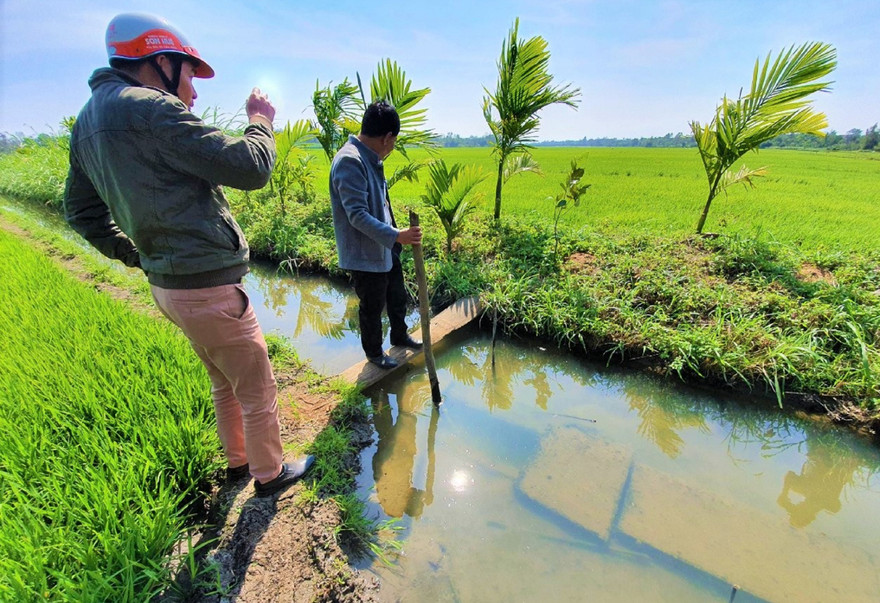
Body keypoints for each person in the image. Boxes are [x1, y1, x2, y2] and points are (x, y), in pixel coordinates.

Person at [63, 12, 313, 498]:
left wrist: (137, 255)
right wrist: (261, 121)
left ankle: (240, 461)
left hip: (168, 287)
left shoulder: (89, 120)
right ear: (159, 62)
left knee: (223, 378)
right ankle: (270, 475)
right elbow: (250, 167)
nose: (194, 94)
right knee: (258, 387)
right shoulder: (149, 109)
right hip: (208, 286)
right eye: (189, 76)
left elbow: (80, 211)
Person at [329, 101, 423, 369]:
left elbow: (381, 202)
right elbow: (357, 215)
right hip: (365, 253)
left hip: (385, 246)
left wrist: (395, 239)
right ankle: (374, 353)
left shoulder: (371, 158)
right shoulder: (350, 160)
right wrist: (396, 235)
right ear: (387, 137)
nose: (392, 147)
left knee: (396, 295)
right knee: (372, 306)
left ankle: (399, 335)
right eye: (394, 141)